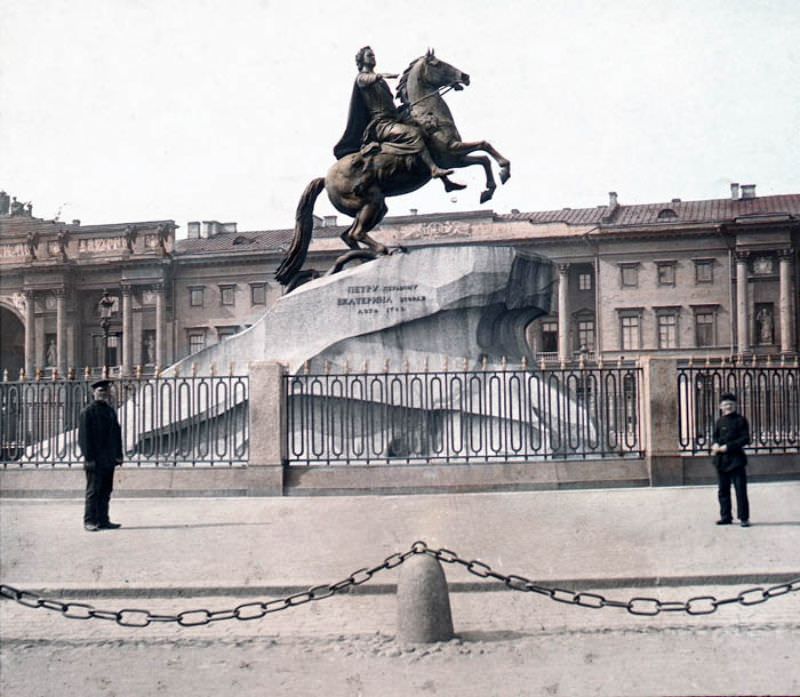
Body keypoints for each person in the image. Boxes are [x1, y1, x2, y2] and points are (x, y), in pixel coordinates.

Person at [334, 46, 453, 181]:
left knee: (425, 128)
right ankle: (433, 169)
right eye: (369, 56)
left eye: (373, 55)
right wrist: (380, 75)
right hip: (381, 125)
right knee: (413, 134)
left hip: (393, 119)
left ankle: (446, 182)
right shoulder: (362, 78)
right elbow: (366, 79)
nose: (373, 57)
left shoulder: (378, 81)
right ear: (361, 61)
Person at [78, 379, 123, 531]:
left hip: (108, 459)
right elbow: (84, 438)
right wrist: (88, 458)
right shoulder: (87, 412)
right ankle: (90, 521)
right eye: (100, 391)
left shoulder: (110, 411)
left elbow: (117, 434)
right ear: (94, 393)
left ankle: (103, 520)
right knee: (93, 491)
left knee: (106, 490)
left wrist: (119, 455)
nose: (103, 394)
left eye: (105, 391)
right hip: (95, 459)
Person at [710, 392, 751, 527]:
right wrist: (715, 444)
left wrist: (727, 447)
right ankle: (726, 516)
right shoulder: (719, 421)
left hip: (736, 460)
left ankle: (744, 518)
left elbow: (745, 439)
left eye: (731, 404)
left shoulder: (741, 420)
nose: (728, 407)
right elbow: (715, 437)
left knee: (740, 490)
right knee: (723, 490)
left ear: (735, 405)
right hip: (721, 461)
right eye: (725, 404)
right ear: (720, 406)